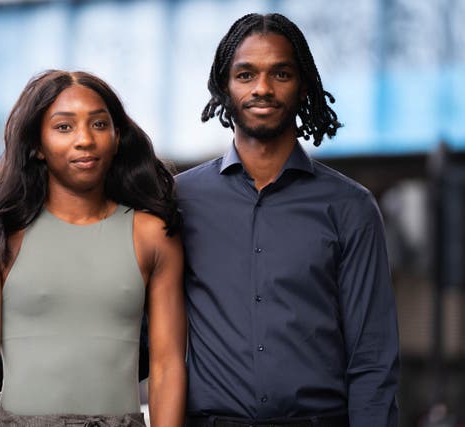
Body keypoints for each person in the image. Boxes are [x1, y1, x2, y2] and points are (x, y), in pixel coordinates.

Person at [176, 13, 400, 427]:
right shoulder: (180, 200)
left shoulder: (351, 207)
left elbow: (372, 357)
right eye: (245, 74)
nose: (262, 88)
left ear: (304, 88)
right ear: (224, 87)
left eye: (280, 73)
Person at [0, 70, 186, 426]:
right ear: (36, 145)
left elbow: (167, 368)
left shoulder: (152, 234)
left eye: (98, 124)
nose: (85, 140)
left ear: (117, 136)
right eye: (64, 127)